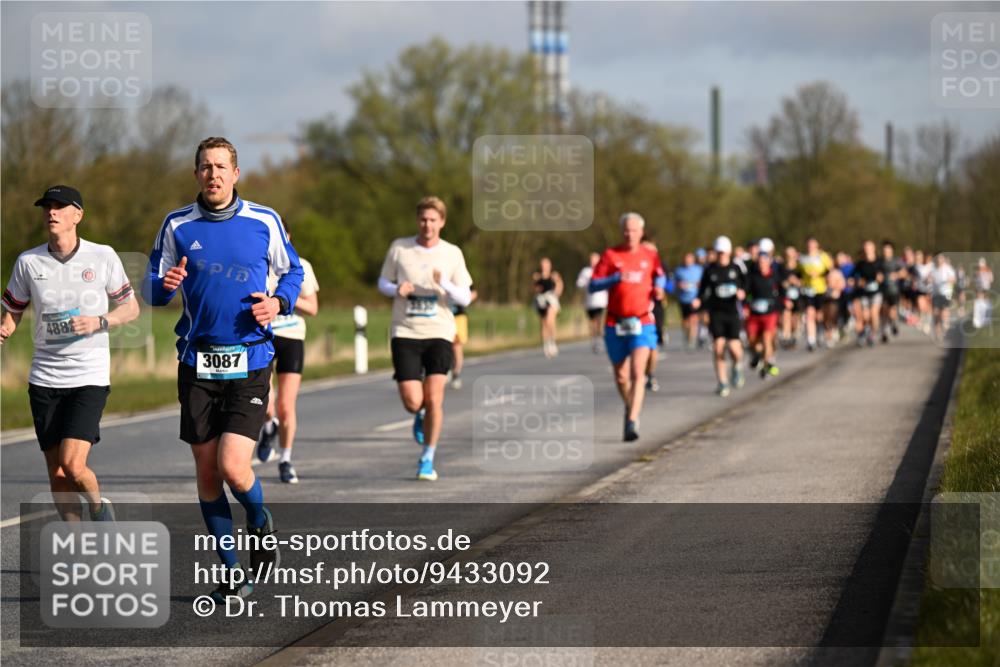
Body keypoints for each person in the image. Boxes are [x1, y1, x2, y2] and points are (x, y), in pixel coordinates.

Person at [143, 137, 303, 603]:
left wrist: (278, 301)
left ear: (236, 173)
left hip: (250, 356)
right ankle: (234, 572)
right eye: (205, 167)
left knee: (235, 467)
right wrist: (162, 285)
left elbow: (292, 273)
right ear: (196, 174)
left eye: (221, 167)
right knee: (207, 473)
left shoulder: (264, 220)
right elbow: (152, 286)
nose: (213, 175)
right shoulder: (176, 225)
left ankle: (258, 519)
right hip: (197, 361)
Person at [2, 185, 140, 522]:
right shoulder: (28, 262)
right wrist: (5, 327)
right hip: (44, 379)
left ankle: (98, 505)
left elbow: (131, 308)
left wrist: (99, 321)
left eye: (60, 206)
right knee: (58, 474)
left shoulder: (102, 256)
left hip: (87, 376)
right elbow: (13, 309)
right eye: (47, 206)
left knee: (73, 464)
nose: (51, 212)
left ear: (78, 215)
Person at [378, 196, 472, 481]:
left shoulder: (452, 253)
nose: (427, 225)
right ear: (417, 221)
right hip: (405, 331)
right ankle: (419, 414)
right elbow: (382, 283)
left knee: (434, 399)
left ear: (441, 222)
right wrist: (397, 289)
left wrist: (444, 283)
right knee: (412, 400)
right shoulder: (400, 248)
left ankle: (427, 458)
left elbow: (465, 295)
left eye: (433, 220)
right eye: (423, 219)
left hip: (440, 333)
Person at [589, 213, 665, 441]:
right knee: (622, 377)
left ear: (641, 233)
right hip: (615, 323)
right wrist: (615, 278)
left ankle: (632, 421)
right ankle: (630, 406)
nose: (629, 234)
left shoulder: (650, 255)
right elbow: (593, 285)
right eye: (625, 230)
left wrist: (659, 288)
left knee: (637, 373)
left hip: (642, 321)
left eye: (633, 230)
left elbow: (660, 276)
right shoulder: (611, 255)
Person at [255, 235, 320, 484]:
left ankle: (285, 459)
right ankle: (268, 426)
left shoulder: (301, 265)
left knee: (285, 406)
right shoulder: (257, 264)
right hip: (263, 337)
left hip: (292, 337)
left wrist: (283, 299)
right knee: (266, 404)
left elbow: (313, 308)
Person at [692, 235, 747, 397]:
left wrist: (743, 294)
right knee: (718, 348)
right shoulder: (710, 270)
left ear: (729, 252)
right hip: (716, 313)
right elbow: (703, 291)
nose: (721, 255)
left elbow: (747, 286)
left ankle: (737, 367)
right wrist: (698, 301)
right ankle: (722, 382)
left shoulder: (736, 269)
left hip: (733, 312)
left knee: (734, 348)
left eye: (724, 252)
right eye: (719, 252)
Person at [745, 248, 782, 378]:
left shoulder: (774, 276)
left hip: (770, 313)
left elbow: (781, 292)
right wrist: (745, 305)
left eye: (764, 261)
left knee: (767, 339)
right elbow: (745, 293)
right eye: (759, 261)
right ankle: (758, 356)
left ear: (768, 262)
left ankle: (768, 365)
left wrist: (782, 304)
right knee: (752, 341)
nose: (762, 264)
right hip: (754, 314)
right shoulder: (752, 276)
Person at [797, 237, 834, 351]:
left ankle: (822, 333)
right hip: (807, 290)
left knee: (820, 316)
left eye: (813, 245)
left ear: (817, 245)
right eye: (809, 245)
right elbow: (798, 273)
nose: (810, 247)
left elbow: (829, 270)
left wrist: (818, 274)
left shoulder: (822, 256)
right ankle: (811, 340)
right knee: (809, 314)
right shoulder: (802, 258)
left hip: (821, 289)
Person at [849, 241, 883, 347]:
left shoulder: (879, 262)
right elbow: (852, 277)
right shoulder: (860, 264)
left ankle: (872, 334)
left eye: (869, 247)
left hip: (876, 292)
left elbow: (885, 275)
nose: (867, 250)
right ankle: (867, 332)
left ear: (874, 249)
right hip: (864, 293)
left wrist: (881, 278)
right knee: (865, 316)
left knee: (873, 314)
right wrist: (857, 281)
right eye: (865, 248)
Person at [576, 253, 608, 354]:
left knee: (599, 321)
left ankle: (600, 340)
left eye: (595, 259)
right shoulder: (586, 271)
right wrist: (586, 282)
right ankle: (594, 340)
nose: (593, 261)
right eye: (591, 259)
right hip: (590, 302)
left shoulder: (603, 269)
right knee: (592, 322)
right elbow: (579, 284)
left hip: (601, 301)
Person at [532, 258, 563, 358]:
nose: (544, 267)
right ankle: (546, 345)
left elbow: (560, 285)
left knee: (550, 320)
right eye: (543, 265)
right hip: (541, 300)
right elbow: (533, 289)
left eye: (546, 265)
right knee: (544, 323)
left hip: (551, 299)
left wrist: (557, 293)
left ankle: (552, 342)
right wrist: (536, 288)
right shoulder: (537, 277)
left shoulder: (554, 275)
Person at [674, 252, 704, 352]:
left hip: (694, 299)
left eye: (689, 258)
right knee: (685, 321)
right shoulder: (679, 270)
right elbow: (674, 283)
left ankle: (692, 340)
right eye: (686, 259)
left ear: (693, 259)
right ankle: (687, 335)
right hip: (683, 299)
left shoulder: (699, 270)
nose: (687, 261)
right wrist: (680, 285)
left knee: (693, 319)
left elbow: (704, 282)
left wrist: (699, 285)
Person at [449, 284, 477, 389]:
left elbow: (473, 293)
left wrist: (463, 299)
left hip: (459, 317)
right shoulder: (441, 273)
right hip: (443, 315)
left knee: (457, 346)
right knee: (442, 344)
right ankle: (445, 368)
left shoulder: (462, 276)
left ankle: (456, 374)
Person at [879, 240, 904, 342]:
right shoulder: (880, 261)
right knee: (884, 312)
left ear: (892, 251)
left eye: (888, 250)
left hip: (894, 290)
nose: (886, 252)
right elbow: (876, 272)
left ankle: (893, 323)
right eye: (884, 250)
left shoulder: (896, 261)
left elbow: (904, 272)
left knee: (892, 311)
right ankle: (884, 332)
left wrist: (896, 275)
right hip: (882, 290)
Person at [779, 245, 803, 349]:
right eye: (787, 254)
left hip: (798, 296)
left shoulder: (799, 268)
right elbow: (779, 282)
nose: (789, 256)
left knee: (794, 320)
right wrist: (787, 282)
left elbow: (805, 282)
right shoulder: (781, 268)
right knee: (786, 315)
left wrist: (797, 282)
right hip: (786, 296)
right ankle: (786, 337)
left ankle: (793, 335)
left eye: (791, 253)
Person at [930, 254, 957, 340]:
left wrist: (949, 280)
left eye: (941, 258)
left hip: (946, 293)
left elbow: (954, 278)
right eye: (937, 258)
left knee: (944, 311)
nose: (939, 260)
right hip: (935, 294)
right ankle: (938, 332)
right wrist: (929, 280)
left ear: (943, 259)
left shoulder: (947, 268)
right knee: (935, 313)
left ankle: (945, 324)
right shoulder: (933, 269)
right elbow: (928, 278)